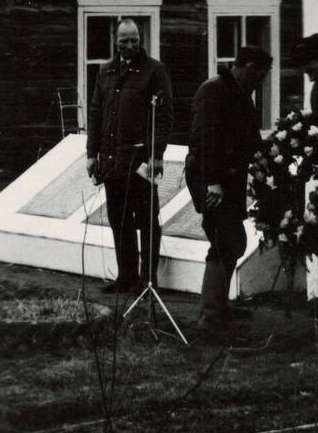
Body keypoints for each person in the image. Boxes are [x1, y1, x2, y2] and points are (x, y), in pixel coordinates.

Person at [187, 46, 272, 342]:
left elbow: (247, 138)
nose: (260, 83)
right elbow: (205, 139)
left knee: (229, 242)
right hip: (213, 181)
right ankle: (211, 319)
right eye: (260, 76)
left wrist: (268, 154)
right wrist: (211, 182)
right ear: (249, 67)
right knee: (227, 242)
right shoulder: (215, 92)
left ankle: (218, 310)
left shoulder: (236, 93)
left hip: (227, 181)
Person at [86, 19, 174, 296]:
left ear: (140, 39)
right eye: (124, 40)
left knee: (147, 220)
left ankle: (148, 281)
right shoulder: (106, 71)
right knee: (118, 219)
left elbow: (164, 116)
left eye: (134, 39)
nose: (130, 45)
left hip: (140, 161)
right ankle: (126, 276)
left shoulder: (154, 71)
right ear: (116, 40)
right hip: (113, 160)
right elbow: (96, 113)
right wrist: (91, 154)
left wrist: (156, 155)